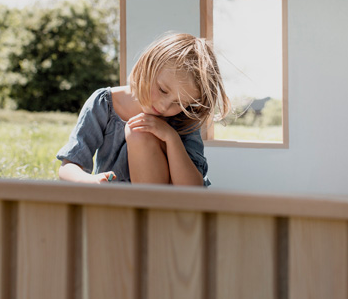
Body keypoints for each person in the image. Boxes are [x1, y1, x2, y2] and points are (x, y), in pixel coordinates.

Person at [56, 32, 229, 186]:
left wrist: (171, 138)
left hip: (167, 211)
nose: (163, 106)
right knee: (138, 129)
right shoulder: (105, 103)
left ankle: (151, 218)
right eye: (162, 90)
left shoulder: (184, 118)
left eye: (180, 103)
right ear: (148, 65)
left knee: (139, 131)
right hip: (118, 208)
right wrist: (90, 180)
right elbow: (68, 167)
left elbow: (193, 189)